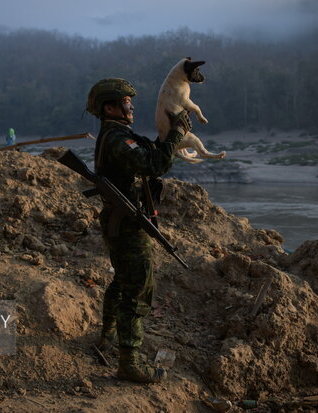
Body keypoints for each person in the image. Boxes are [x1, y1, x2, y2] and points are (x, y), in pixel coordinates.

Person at [85, 78, 192, 383]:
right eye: (126, 102)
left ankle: (107, 337)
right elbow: (155, 164)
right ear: (110, 107)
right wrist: (177, 133)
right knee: (139, 290)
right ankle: (129, 361)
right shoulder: (117, 138)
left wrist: (169, 135)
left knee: (122, 281)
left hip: (123, 219)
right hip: (127, 223)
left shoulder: (118, 135)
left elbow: (150, 153)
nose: (132, 107)